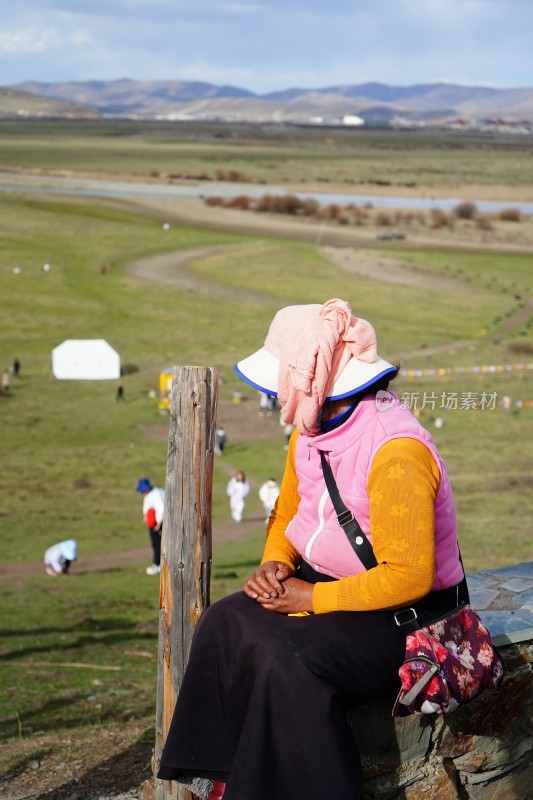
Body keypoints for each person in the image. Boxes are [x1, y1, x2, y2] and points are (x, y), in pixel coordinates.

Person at [158, 299, 466, 800]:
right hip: (331, 588)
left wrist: (310, 600)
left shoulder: (396, 452)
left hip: (409, 616)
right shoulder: (312, 425)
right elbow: (289, 511)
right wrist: (275, 564)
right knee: (225, 621)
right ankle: (220, 778)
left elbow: (410, 575)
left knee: (289, 658)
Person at [136, 478, 165, 575]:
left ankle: (158, 564)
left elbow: (160, 508)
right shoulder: (150, 495)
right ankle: (157, 564)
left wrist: (159, 523)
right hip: (153, 523)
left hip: (158, 524)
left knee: (158, 544)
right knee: (155, 543)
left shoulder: (156, 494)